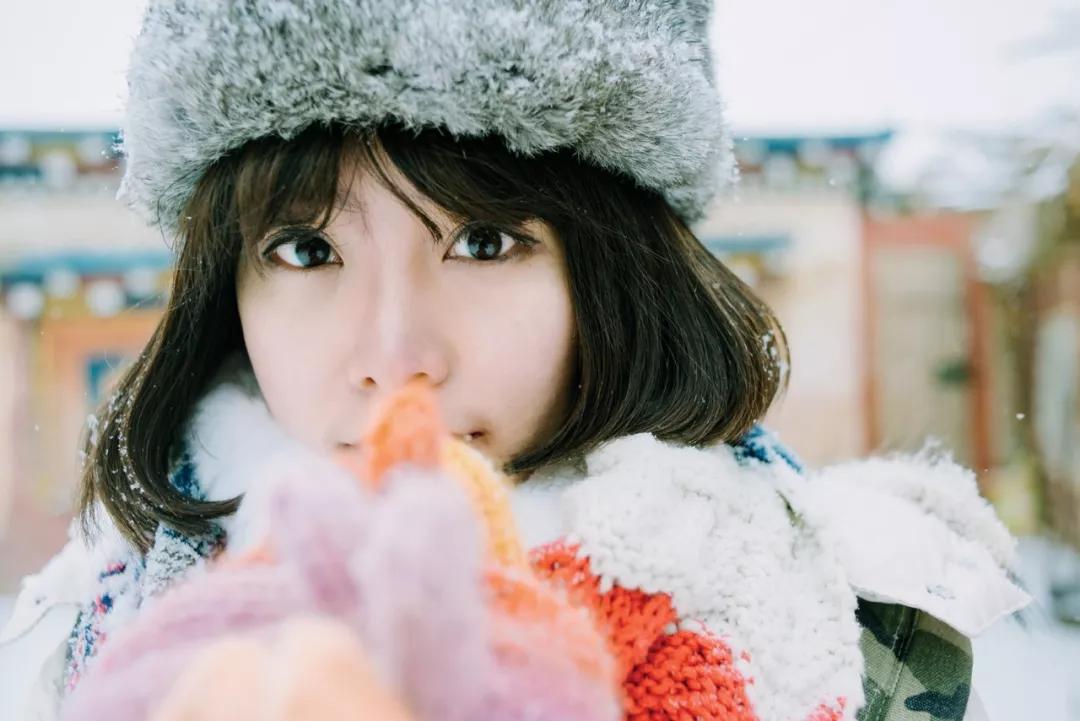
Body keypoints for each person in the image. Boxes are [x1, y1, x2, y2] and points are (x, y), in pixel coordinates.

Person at [0, 1, 1029, 720]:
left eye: (483, 242)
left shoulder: (875, 654)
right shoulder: (88, 644)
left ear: (614, 270)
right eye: (308, 250)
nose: (397, 357)